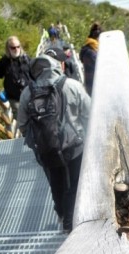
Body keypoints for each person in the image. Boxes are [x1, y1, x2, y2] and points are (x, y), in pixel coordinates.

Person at [18, 54, 91, 233]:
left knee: (56, 183)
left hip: (46, 149)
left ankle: (61, 215)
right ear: (58, 66)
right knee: (74, 184)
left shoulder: (28, 92)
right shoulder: (73, 85)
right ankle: (70, 222)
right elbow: (89, 114)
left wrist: (36, 144)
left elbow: (22, 124)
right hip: (74, 146)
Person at [0, 36, 31, 119]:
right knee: (22, 120)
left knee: (33, 118)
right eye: (13, 48)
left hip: (29, 96)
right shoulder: (4, 61)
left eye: (18, 47)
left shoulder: (27, 59)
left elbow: (35, 73)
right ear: (8, 48)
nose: (16, 49)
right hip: (14, 98)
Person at [79, 22, 102, 96]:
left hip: (89, 85)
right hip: (94, 87)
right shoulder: (91, 53)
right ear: (98, 38)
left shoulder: (88, 48)